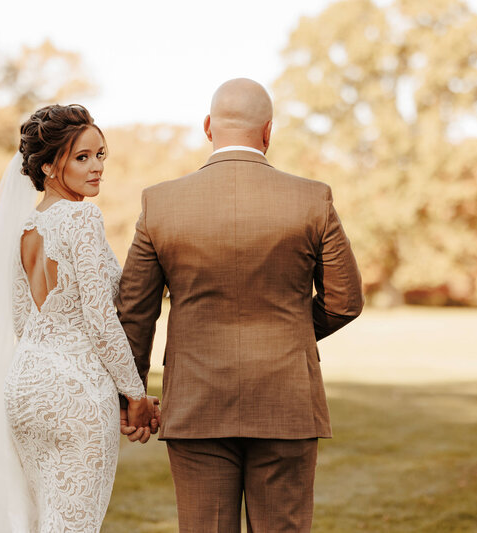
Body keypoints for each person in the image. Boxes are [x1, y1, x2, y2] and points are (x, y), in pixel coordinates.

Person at [117, 79, 364, 532]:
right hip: (286, 397)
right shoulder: (312, 198)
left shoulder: (160, 203)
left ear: (208, 127)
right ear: (268, 132)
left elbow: (135, 311)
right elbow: (345, 301)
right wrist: (291, 331)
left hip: (195, 401)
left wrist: (132, 396)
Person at [0, 104, 159, 533]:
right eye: (82, 158)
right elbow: (101, 321)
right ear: (48, 166)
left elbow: (24, 321)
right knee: (74, 525)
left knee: (41, 520)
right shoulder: (82, 216)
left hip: (25, 387)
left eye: (101, 154)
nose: (97, 167)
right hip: (76, 391)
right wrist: (135, 396)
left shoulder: (24, 229)